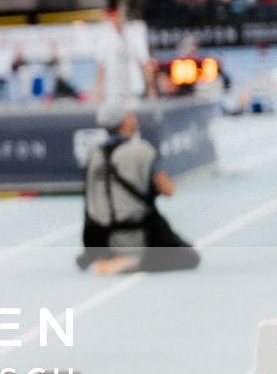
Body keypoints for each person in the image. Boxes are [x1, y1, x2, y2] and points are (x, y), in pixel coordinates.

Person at [75, 99, 200, 275]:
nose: (133, 117)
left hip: (101, 237)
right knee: (189, 256)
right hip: (136, 233)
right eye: (129, 115)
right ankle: (132, 262)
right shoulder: (141, 151)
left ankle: (108, 257)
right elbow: (168, 189)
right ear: (123, 121)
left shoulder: (94, 155)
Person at [94, 3, 157, 106]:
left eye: (113, 15)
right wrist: (99, 88)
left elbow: (145, 62)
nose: (111, 19)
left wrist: (151, 87)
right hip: (112, 90)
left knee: (132, 119)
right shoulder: (105, 35)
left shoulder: (135, 32)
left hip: (133, 88)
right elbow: (101, 65)